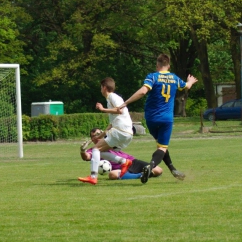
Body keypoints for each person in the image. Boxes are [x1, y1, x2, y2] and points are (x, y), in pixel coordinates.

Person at [118, 53, 198, 184]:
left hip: (151, 118)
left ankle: (172, 169)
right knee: (162, 148)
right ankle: (150, 166)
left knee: (161, 146)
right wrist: (190, 81)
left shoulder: (153, 77)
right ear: (169, 66)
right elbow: (187, 86)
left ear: (157, 65)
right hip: (166, 119)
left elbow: (143, 91)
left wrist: (125, 103)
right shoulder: (174, 78)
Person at [78, 77, 134, 185]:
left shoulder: (112, 96)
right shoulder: (110, 100)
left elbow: (119, 110)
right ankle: (124, 162)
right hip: (126, 133)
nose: (100, 90)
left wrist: (103, 109)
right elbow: (111, 124)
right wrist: (100, 136)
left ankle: (93, 177)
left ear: (104, 88)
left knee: (95, 148)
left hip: (121, 130)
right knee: (101, 151)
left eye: (100, 87)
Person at [80, 127, 163, 180]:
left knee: (158, 170)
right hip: (119, 169)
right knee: (112, 175)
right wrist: (82, 151)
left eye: (98, 134)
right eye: (93, 136)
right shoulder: (94, 150)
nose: (96, 137)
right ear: (91, 139)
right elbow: (86, 157)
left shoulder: (110, 142)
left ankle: (145, 173)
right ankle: (141, 175)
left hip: (131, 162)